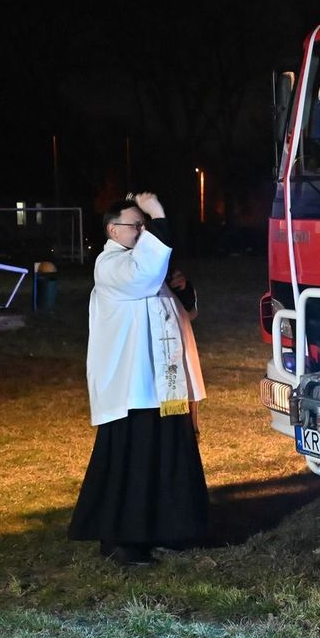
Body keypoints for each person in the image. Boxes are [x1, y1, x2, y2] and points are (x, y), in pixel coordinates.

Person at [69, 192, 208, 566]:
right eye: (137, 225)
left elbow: (180, 311)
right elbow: (144, 277)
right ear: (113, 230)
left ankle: (168, 529)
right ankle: (120, 538)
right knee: (133, 461)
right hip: (133, 388)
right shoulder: (111, 266)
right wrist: (160, 215)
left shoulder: (142, 267)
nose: (143, 231)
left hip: (163, 386)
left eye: (146, 225)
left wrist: (182, 289)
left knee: (169, 457)